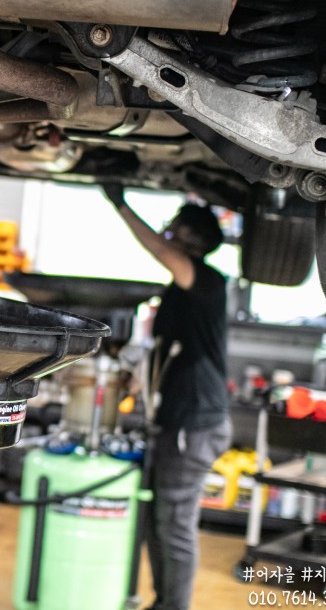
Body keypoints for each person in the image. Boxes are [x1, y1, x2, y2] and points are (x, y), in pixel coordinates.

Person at [102, 184, 232, 610]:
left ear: (190, 239)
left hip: (192, 426)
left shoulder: (208, 282)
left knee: (174, 524)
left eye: (175, 228)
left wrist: (121, 204)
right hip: (179, 423)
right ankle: (163, 603)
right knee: (160, 522)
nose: (167, 233)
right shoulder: (182, 291)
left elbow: (165, 254)